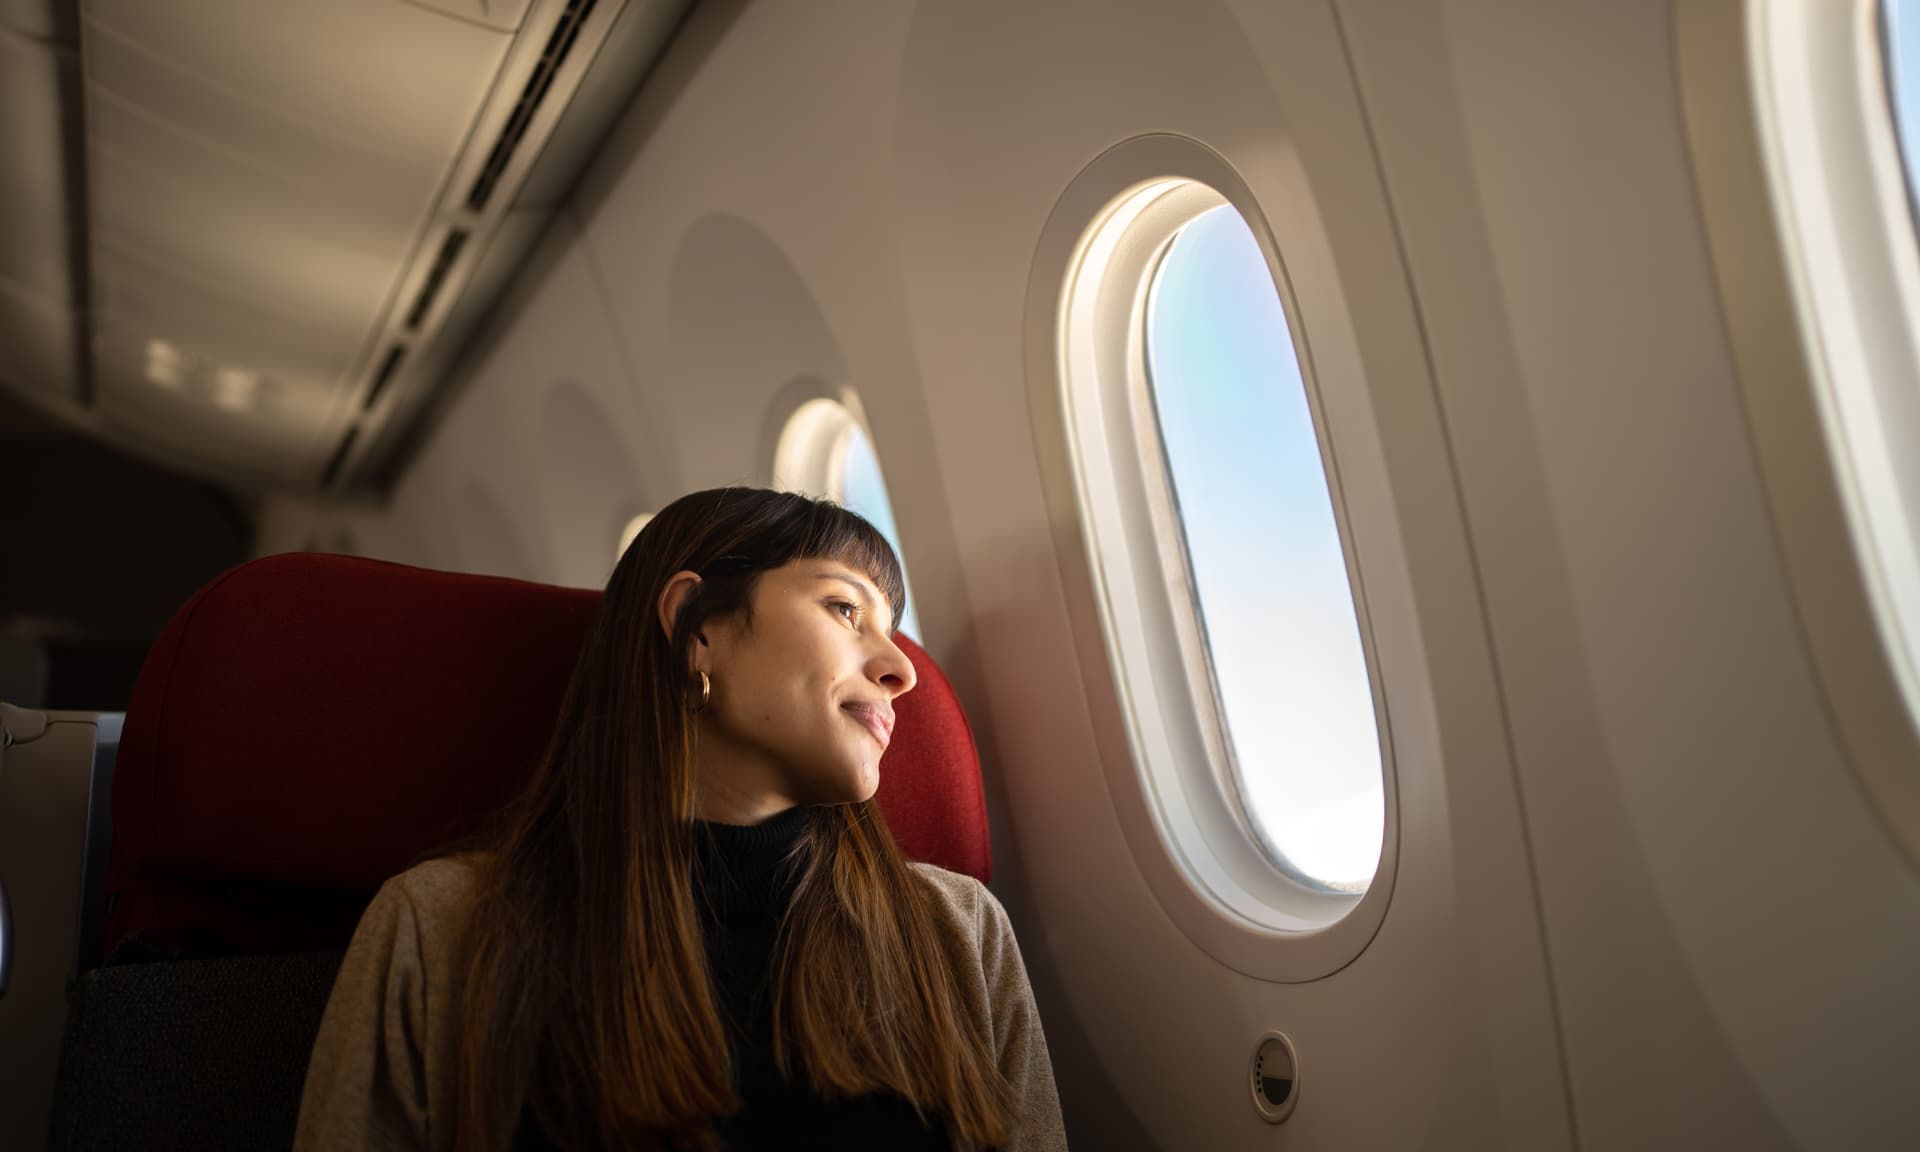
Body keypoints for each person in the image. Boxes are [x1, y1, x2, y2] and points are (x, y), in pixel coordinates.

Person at [293, 487, 1067, 1151]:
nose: (901, 672)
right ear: (700, 629)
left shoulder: (957, 930)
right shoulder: (443, 930)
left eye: (891, 630)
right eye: (844, 609)